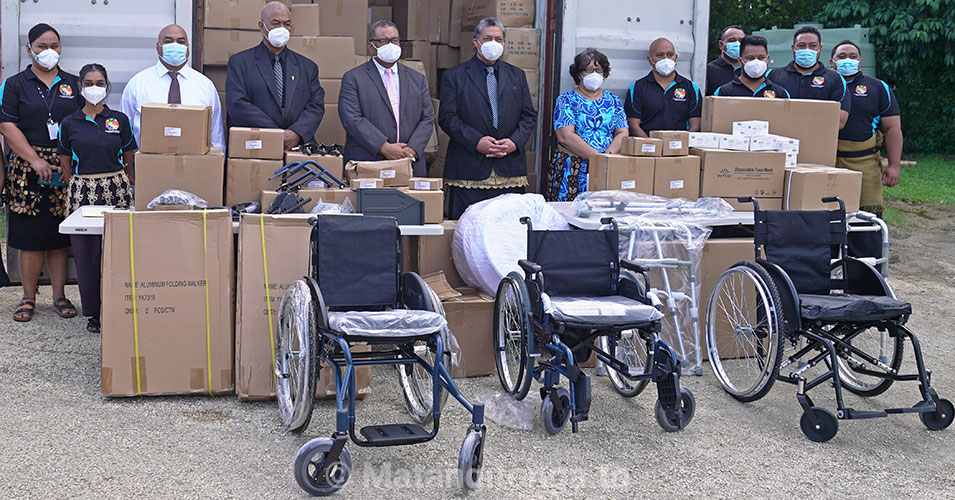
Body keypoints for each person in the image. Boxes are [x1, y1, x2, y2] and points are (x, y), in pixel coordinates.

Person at [0, 23, 81, 322]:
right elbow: (7, 125)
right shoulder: (15, 84)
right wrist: (35, 161)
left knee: (58, 236)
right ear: (29, 49)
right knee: (30, 238)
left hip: (64, 169)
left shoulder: (73, 84)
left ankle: (59, 295)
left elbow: (83, 123)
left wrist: (66, 161)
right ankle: (28, 297)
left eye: (55, 46)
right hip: (27, 168)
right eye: (42, 46)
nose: (49, 52)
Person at [58, 64, 136, 333]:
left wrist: (122, 179)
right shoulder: (69, 123)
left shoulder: (119, 120)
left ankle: (120, 307)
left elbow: (129, 156)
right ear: (80, 87)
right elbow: (65, 161)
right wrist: (76, 183)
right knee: (86, 254)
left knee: (118, 253)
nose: (94, 88)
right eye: (89, 82)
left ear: (107, 86)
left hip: (116, 189)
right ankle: (94, 313)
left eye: (100, 82)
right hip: (84, 194)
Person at [438, 17, 537, 220]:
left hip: (509, 168)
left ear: (504, 43)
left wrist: (514, 142)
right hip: (468, 168)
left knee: (507, 229)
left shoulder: (516, 75)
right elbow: (447, 118)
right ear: (476, 42)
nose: (494, 43)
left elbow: (528, 116)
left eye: (498, 39)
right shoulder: (454, 76)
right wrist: (476, 142)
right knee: (467, 229)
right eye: (488, 38)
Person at [339, 20, 434, 176]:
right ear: (371, 47)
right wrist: (384, 147)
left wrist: (412, 149)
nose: (391, 45)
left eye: (395, 40)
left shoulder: (417, 79)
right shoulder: (353, 78)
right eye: (384, 41)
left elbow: (428, 117)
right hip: (369, 162)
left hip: (410, 163)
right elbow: (352, 119)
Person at [226, 1, 325, 151]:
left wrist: (296, 132)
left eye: (287, 24)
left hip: (297, 148)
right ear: (261, 26)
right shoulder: (240, 63)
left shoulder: (308, 67)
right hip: (255, 146)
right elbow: (237, 104)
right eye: (275, 23)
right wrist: (276, 134)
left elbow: (316, 105)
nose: (282, 29)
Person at [120, 24, 224, 150]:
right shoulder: (138, 84)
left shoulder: (205, 86)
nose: (175, 46)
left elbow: (216, 135)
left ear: (188, 49)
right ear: (158, 48)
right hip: (148, 165)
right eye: (168, 41)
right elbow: (124, 132)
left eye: (181, 42)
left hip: (194, 165)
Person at [829, 39, 902, 215]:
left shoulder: (878, 87)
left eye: (852, 56)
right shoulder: (822, 85)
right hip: (826, 162)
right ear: (832, 62)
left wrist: (894, 166)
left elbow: (893, 128)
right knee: (825, 214)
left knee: (866, 219)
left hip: (864, 163)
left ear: (860, 61)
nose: (847, 60)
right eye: (842, 56)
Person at [547, 48, 627, 202]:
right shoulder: (566, 99)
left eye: (598, 70)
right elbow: (565, 136)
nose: (595, 74)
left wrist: (607, 157)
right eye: (589, 70)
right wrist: (596, 158)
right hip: (573, 168)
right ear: (579, 74)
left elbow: (622, 132)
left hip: (607, 166)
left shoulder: (613, 100)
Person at [766, 26, 850, 129]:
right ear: (793, 48)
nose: (807, 49)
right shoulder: (773, 75)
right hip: (781, 140)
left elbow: (840, 122)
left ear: (820, 48)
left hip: (818, 141)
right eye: (801, 45)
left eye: (812, 46)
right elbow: (763, 112)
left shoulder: (836, 79)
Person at [624, 37, 701, 137]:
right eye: (659, 55)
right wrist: (651, 145)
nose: (666, 59)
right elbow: (633, 125)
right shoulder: (638, 87)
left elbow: (696, 126)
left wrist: (679, 144)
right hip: (647, 148)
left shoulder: (691, 88)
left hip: (680, 147)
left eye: (670, 55)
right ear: (650, 60)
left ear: (675, 57)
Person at [714, 36, 791, 98]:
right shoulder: (724, 92)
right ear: (740, 61)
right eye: (750, 58)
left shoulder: (781, 94)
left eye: (761, 57)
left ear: (767, 59)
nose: (756, 62)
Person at [706, 25, 745, 96]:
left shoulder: (748, 70)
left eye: (741, 41)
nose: (737, 44)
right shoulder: (709, 70)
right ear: (721, 44)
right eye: (732, 40)